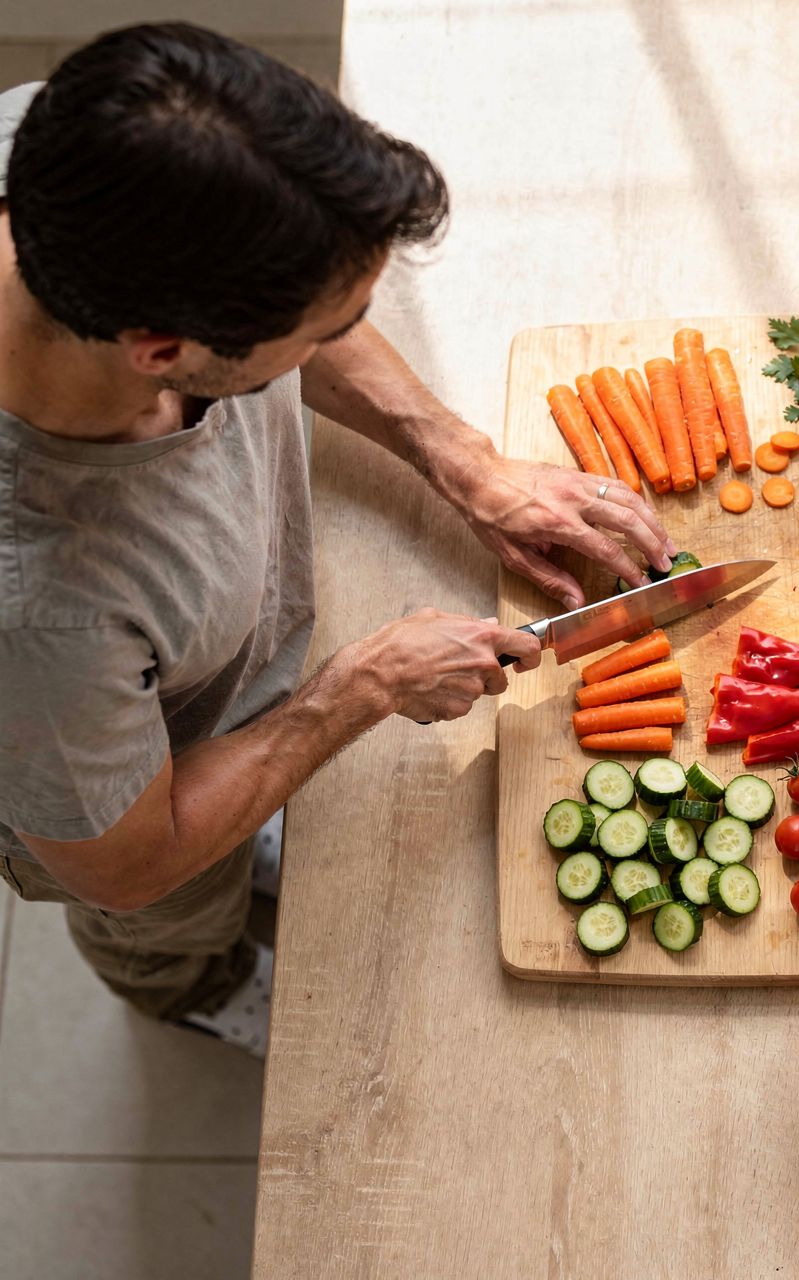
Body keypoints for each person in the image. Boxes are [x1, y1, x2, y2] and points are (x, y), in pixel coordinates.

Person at [0, 24, 675, 1057]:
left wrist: (462, 458)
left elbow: (302, 292)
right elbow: (126, 862)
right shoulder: (46, 613)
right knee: (173, 916)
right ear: (167, 352)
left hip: (199, 682)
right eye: (320, 329)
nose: (342, 333)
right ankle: (194, 988)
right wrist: (361, 684)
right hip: (124, 811)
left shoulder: (73, 151)